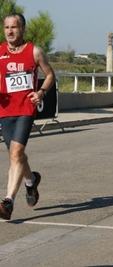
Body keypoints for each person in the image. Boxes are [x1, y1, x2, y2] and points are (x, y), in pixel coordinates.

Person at [0, 13, 55, 220]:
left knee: (16, 153)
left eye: (14, 27)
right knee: (16, 156)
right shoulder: (0, 52)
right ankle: (31, 180)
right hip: (4, 110)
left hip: (26, 108)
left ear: (22, 29)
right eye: (7, 28)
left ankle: (8, 202)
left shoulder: (34, 52)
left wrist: (41, 92)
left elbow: (50, 75)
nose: (10, 31)